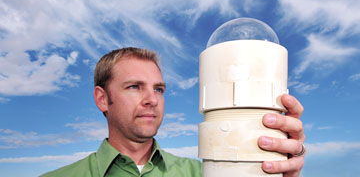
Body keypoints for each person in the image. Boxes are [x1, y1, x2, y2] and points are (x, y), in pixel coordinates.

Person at [41, 47, 305, 176]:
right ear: (102, 99)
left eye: (159, 89)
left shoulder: (203, 174)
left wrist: (284, 172)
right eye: (134, 87)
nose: (151, 100)